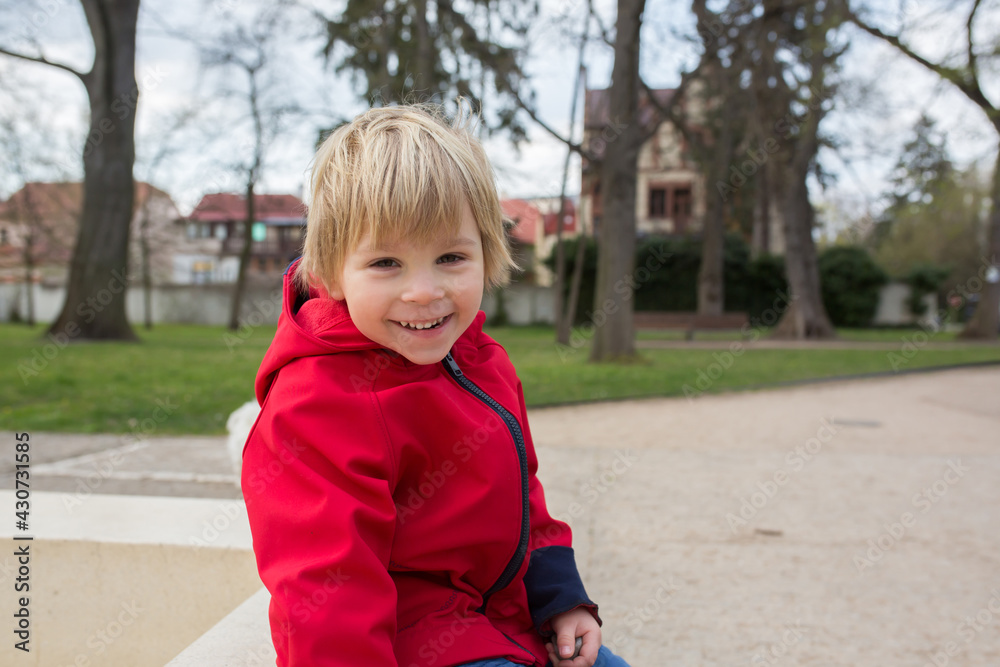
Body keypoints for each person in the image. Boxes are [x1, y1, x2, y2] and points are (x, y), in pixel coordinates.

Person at [241, 104, 631, 667]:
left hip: (510, 622)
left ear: (486, 254)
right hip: (419, 644)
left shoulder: (482, 362)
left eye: (450, 256)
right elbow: (326, 591)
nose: (423, 291)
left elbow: (524, 498)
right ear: (328, 272)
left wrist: (561, 600)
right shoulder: (318, 405)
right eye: (385, 263)